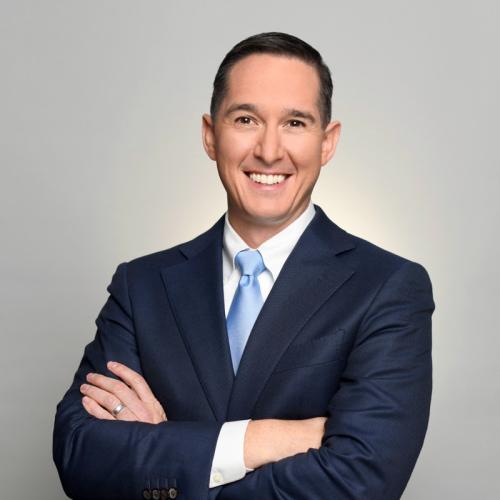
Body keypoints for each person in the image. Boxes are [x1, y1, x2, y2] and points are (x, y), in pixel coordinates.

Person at [53, 32, 435, 500]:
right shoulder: (142, 286)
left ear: (327, 142)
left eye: (295, 122)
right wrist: (265, 439)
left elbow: (361, 482)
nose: (269, 151)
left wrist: (169, 453)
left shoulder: (388, 288)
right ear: (210, 135)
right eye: (246, 119)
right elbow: (79, 455)